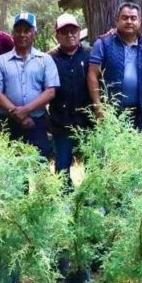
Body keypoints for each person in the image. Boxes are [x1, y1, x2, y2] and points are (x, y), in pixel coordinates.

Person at [0, 12, 60, 160]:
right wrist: (18, 115)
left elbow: (50, 92)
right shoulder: (0, 61)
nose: (22, 34)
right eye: (18, 30)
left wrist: (26, 110)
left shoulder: (45, 60)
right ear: (12, 33)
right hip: (8, 123)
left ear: (34, 33)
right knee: (11, 170)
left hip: (37, 123)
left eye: (27, 30)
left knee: (39, 168)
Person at [88, 2, 142, 129]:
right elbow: (92, 74)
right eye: (125, 18)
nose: (129, 21)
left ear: (139, 21)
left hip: (141, 111)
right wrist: (98, 106)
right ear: (117, 20)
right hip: (111, 110)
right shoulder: (103, 43)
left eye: (133, 18)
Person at [48, 14, 92, 184]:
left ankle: (92, 198)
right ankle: (64, 200)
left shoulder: (91, 54)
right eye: (64, 32)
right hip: (61, 122)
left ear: (79, 32)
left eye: (73, 30)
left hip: (88, 121)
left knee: (94, 163)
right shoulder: (49, 58)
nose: (69, 35)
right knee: (62, 166)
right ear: (57, 35)